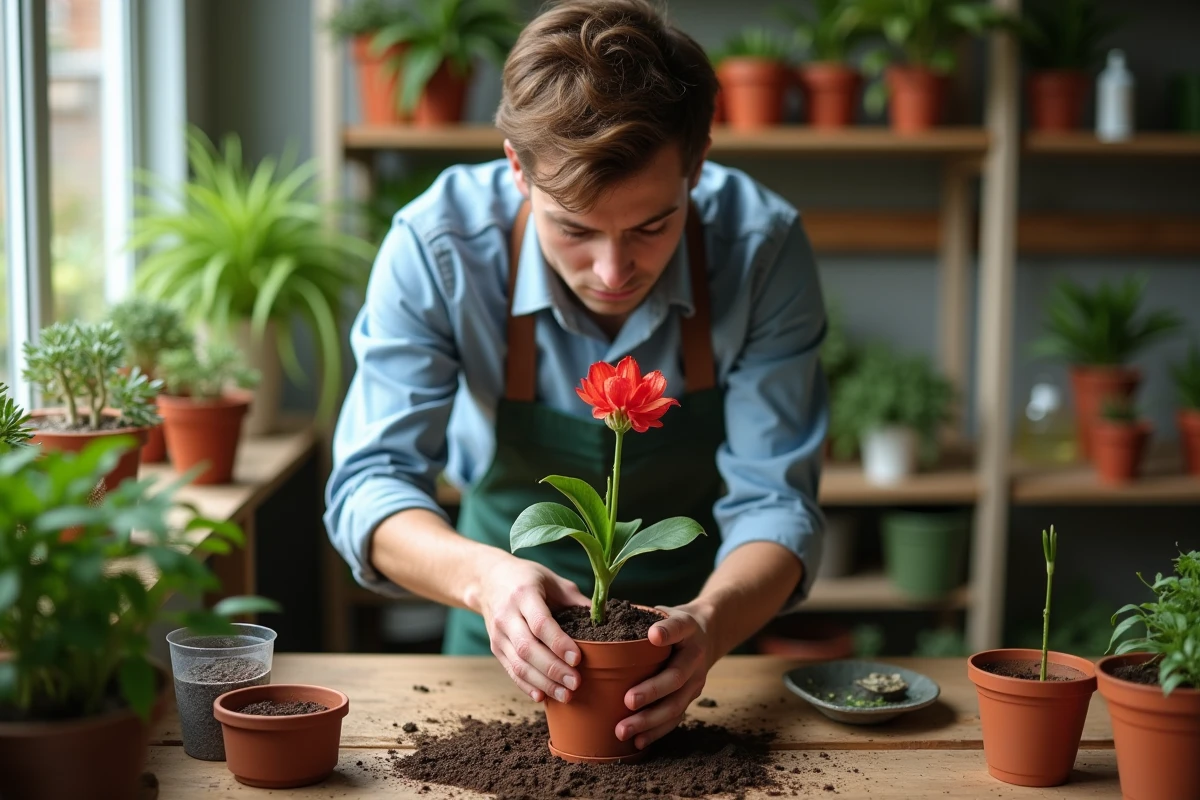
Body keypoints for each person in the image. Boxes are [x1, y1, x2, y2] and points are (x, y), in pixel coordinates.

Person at [326, 0, 828, 752]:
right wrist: (487, 582)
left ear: (696, 165)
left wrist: (709, 623)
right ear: (518, 169)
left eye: (652, 226)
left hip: (701, 656)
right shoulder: (438, 247)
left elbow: (778, 502)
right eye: (574, 228)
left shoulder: (761, 250)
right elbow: (370, 485)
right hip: (497, 654)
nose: (613, 271)